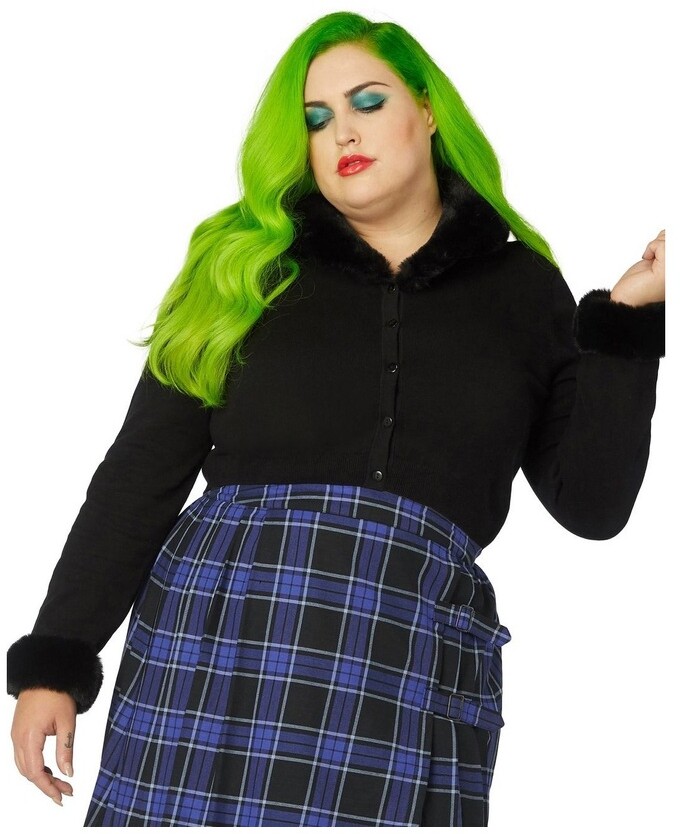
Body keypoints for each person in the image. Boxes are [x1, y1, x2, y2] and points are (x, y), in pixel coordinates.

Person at [6, 10, 665, 828]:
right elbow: (140, 475)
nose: (342, 132)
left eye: (367, 102)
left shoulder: (525, 292)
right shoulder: (240, 269)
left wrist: (629, 324)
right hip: (219, 642)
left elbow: (593, 506)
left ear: (428, 110)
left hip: (407, 656)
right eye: (316, 119)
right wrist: (57, 661)